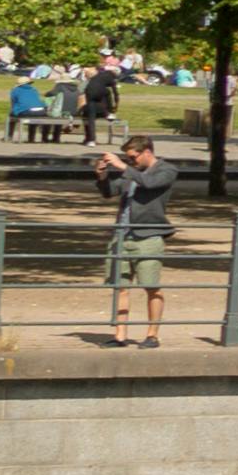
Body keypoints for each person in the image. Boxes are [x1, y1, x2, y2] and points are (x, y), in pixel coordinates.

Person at [91, 133, 177, 348]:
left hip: (148, 236)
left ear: (147, 152)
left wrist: (122, 166)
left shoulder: (166, 170)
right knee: (120, 286)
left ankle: (152, 335)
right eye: (128, 158)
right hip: (122, 235)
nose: (131, 162)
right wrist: (102, 176)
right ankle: (120, 336)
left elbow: (149, 183)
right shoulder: (132, 171)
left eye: (133, 157)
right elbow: (110, 191)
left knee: (151, 287)